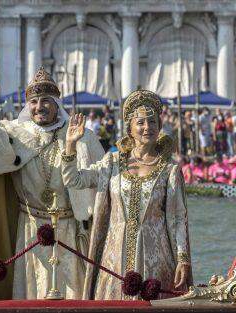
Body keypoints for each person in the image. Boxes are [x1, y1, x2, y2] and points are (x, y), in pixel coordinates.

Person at [0, 65, 104, 300]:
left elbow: (103, 183)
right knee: (31, 294)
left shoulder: (82, 136)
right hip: (30, 228)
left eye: (45, 101)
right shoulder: (16, 134)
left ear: (56, 104)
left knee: (74, 295)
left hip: (70, 229)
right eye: (33, 102)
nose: (39, 107)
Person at [62, 90, 192, 300]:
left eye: (152, 122)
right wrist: (70, 145)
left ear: (159, 126)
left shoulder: (170, 170)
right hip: (114, 259)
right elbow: (73, 180)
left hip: (157, 260)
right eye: (140, 123)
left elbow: (178, 219)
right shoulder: (112, 163)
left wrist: (183, 259)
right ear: (130, 128)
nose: (147, 128)